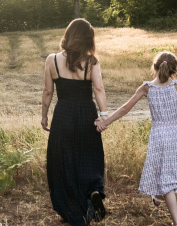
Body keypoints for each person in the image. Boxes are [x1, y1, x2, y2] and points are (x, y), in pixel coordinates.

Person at [95, 51, 177, 226]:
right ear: (173, 70)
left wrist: (106, 122)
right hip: (175, 135)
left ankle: (162, 200)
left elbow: (125, 109)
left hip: (158, 136)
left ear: (154, 67)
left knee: (164, 175)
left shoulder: (147, 88)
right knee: (168, 178)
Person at [41, 18, 112, 225]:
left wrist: (44, 115)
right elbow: (99, 89)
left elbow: (47, 91)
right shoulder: (91, 62)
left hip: (63, 114)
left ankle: (68, 209)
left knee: (63, 161)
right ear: (88, 39)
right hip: (86, 114)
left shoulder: (52, 60)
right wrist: (104, 115)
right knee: (88, 157)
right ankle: (93, 191)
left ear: (69, 35)